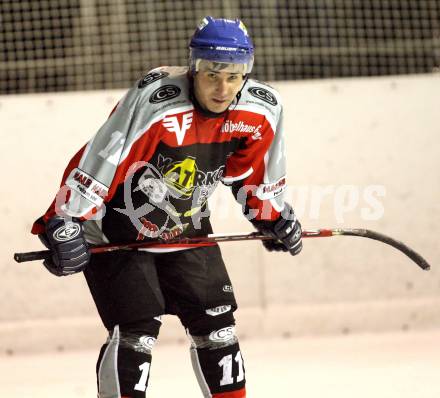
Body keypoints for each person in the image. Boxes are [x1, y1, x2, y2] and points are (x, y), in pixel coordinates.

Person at [31, 16, 302, 398]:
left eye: (234, 76)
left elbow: (252, 172)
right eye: (212, 75)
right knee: (136, 332)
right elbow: (103, 161)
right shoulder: (158, 100)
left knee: (218, 325)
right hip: (117, 229)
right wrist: (65, 220)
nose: (223, 89)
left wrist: (270, 216)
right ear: (193, 68)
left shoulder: (262, 109)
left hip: (186, 226)